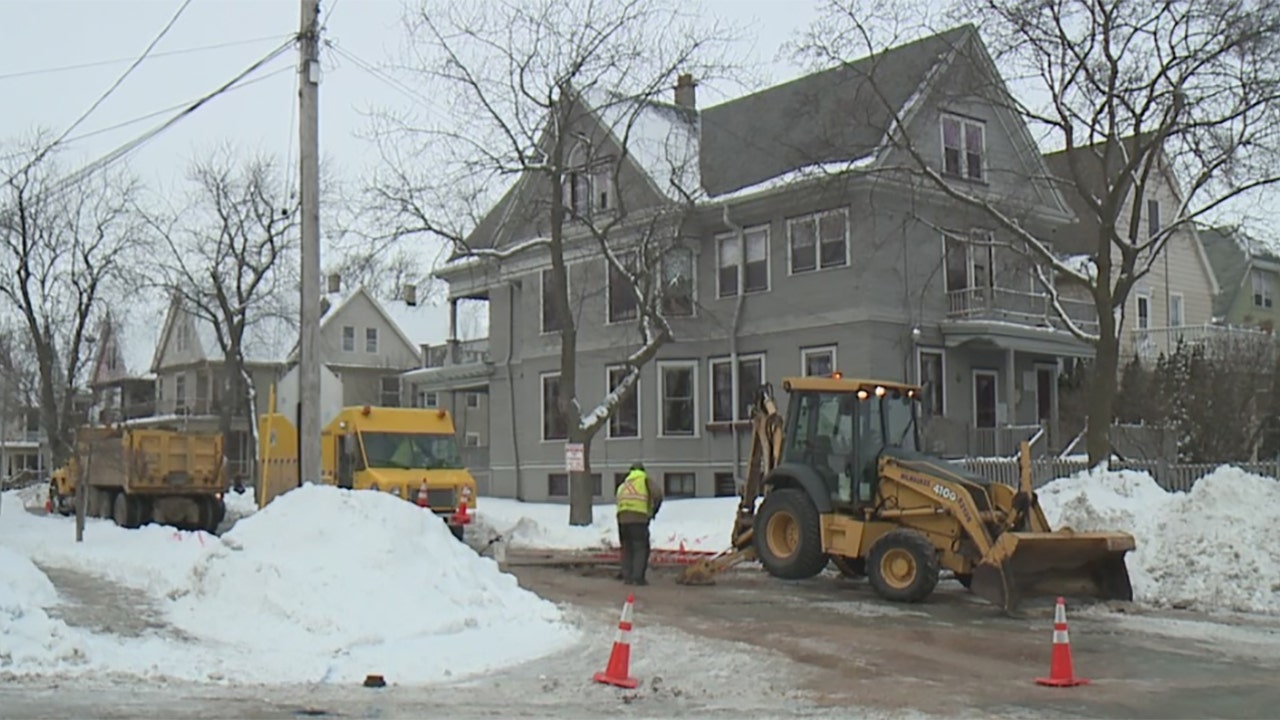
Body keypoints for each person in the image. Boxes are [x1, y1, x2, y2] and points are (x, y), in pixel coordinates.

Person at [615, 461, 662, 586]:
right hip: (639, 518)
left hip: (622, 519)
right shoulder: (644, 480)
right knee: (640, 548)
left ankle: (627, 577)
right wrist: (652, 512)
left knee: (626, 548)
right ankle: (638, 578)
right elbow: (658, 495)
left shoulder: (625, 483)